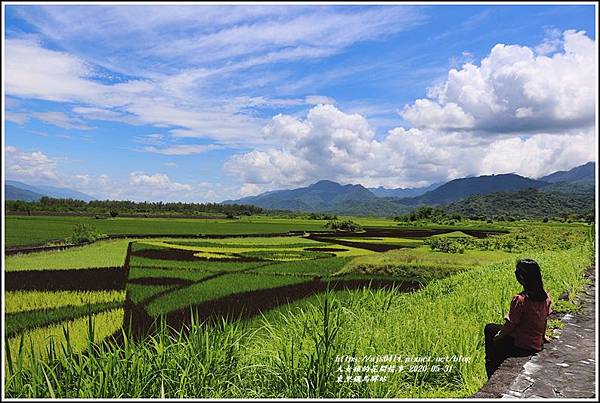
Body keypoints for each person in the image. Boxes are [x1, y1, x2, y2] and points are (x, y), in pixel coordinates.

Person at [484, 258, 552, 379]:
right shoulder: (545, 297)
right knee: (495, 330)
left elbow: (511, 324)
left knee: (490, 329)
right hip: (536, 341)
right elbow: (544, 318)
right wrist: (542, 336)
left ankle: (492, 368)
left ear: (521, 277)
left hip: (521, 344)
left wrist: (499, 336)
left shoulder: (520, 300)